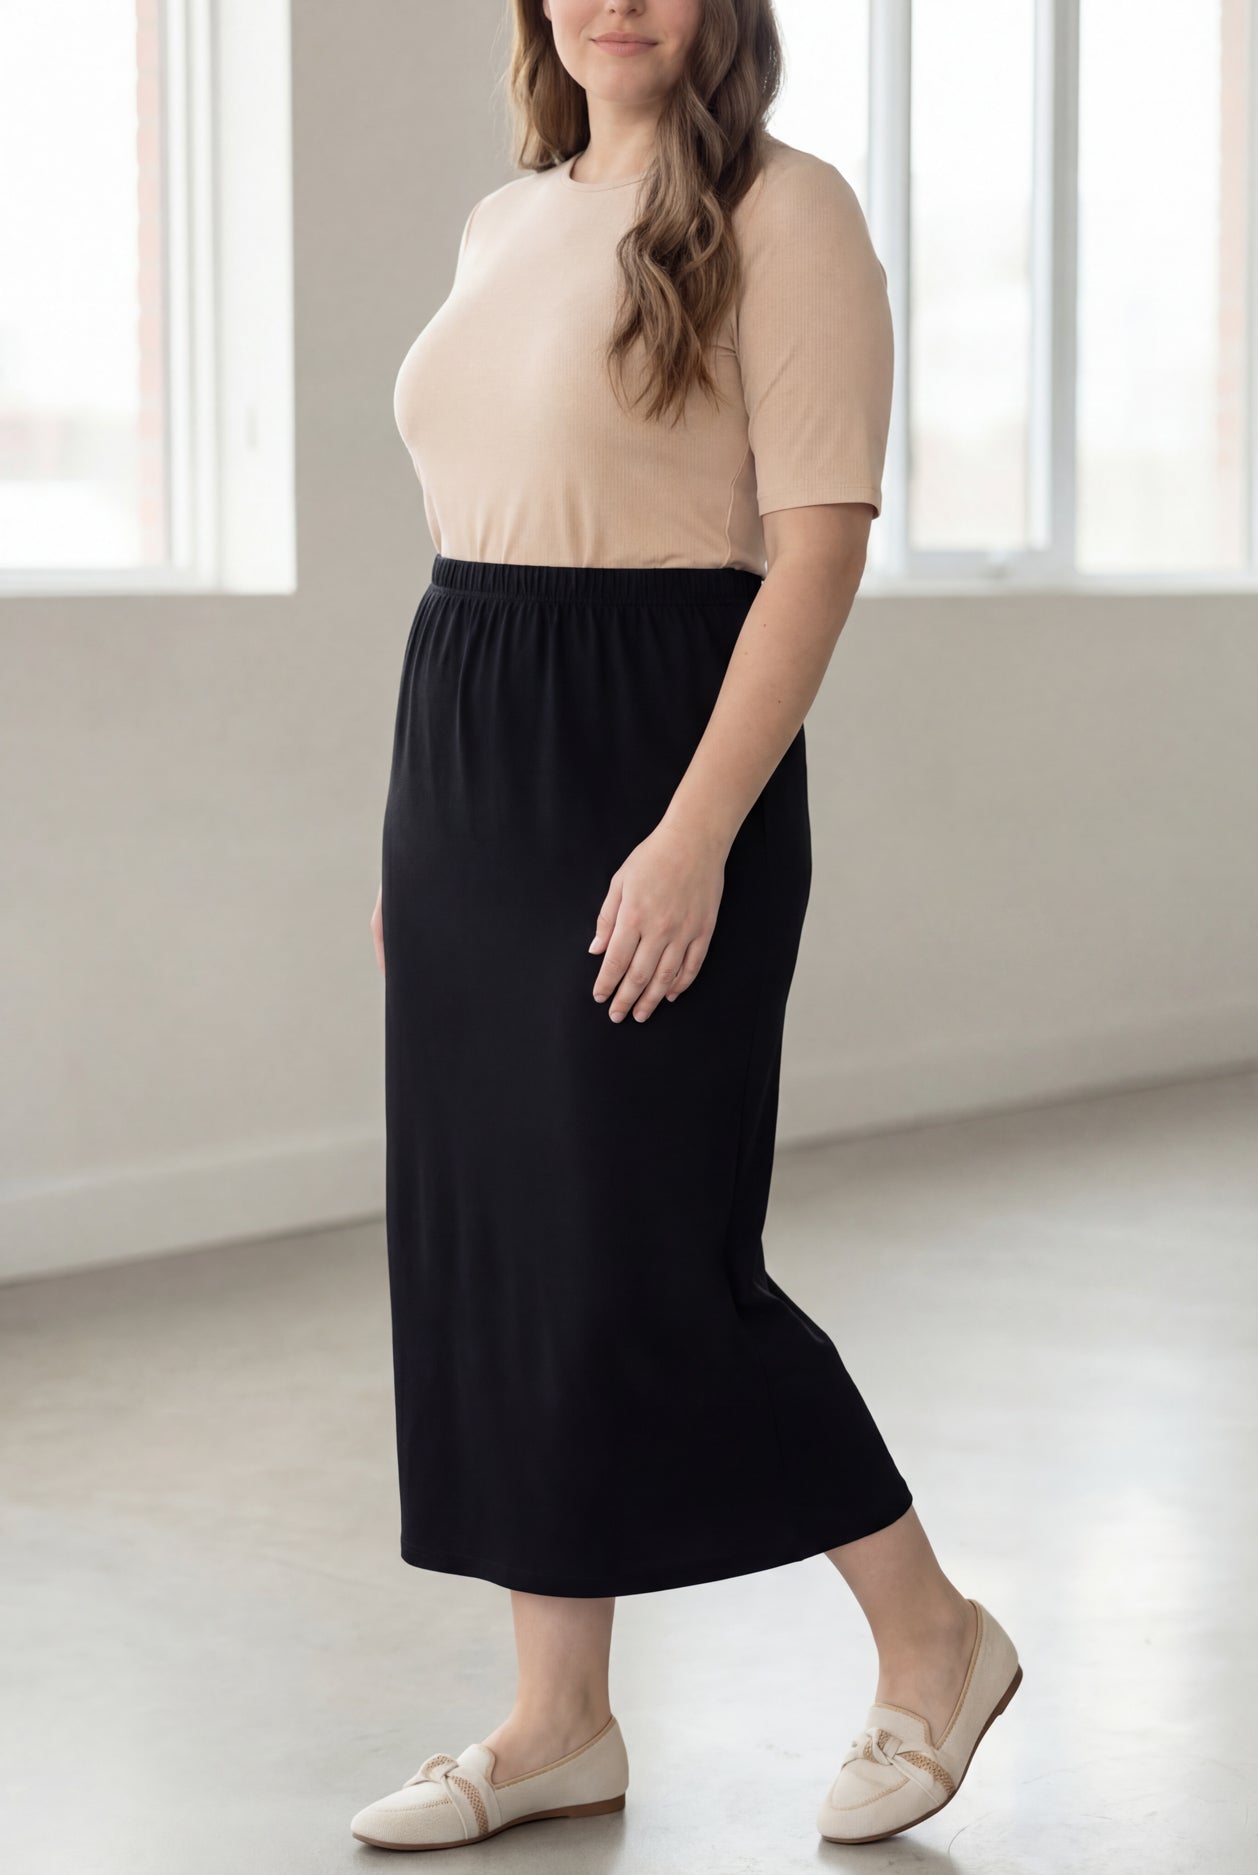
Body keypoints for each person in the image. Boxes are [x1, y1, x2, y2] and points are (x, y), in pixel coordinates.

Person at [354, 0, 1021, 1853]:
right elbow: (476, 533)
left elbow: (814, 545)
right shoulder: (510, 221)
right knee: (498, 1252)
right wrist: (413, 841)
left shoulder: (784, 210)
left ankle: (934, 1639)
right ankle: (556, 1721)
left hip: (656, 742)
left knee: (649, 1254)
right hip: (468, 737)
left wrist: (694, 830)